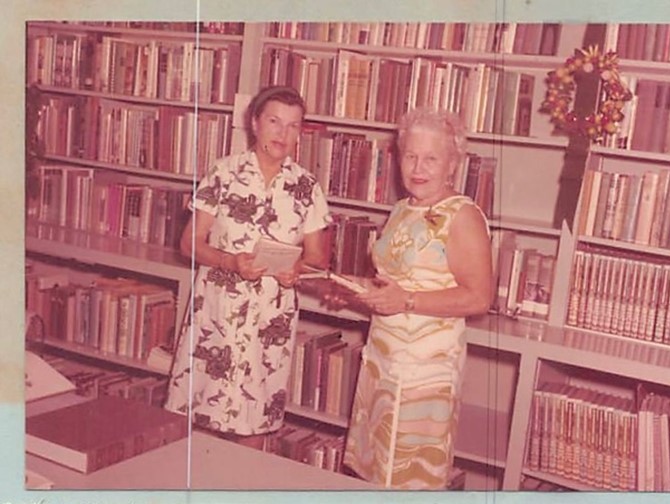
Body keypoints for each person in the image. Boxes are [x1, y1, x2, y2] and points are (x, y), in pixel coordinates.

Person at [165, 85, 331, 450]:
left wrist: (298, 269)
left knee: (255, 418)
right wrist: (230, 261)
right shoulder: (223, 172)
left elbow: (318, 259)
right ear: (255, 123)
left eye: (293, 125)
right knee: (201, 411)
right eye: (274, 122)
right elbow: (189, 244)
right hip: (218, 312)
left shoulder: (307, 186)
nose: (282, 133)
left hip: (271, 320)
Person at [341, 107, 493, 489]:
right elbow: (397, 282)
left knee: (408, 477)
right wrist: (352, 290)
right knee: (375, 472)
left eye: (431, 158)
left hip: (425, 369)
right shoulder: (402, 208)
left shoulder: (462, 215)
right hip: (383, 360)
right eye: (410, 156)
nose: (417, 168)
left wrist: (406, 301)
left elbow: (479, 298)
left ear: (452, 163)